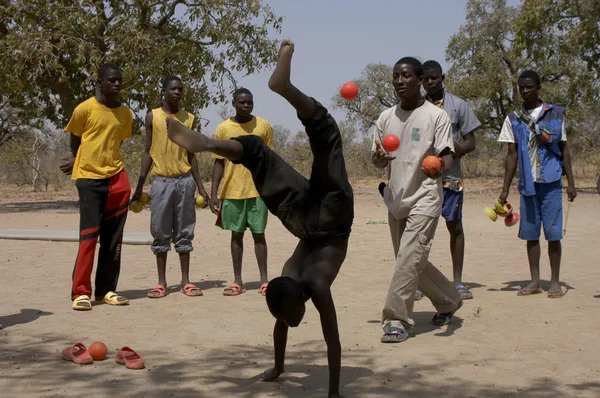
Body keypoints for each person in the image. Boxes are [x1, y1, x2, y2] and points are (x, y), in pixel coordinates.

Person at [167, 40, 352, 398]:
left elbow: (328, 339)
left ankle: (208, 143)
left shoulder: (299, 281)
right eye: (289, 318)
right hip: (320, 218)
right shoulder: (302, 284)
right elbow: (308, 332)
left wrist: (320, 388)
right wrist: (320, 386)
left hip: (316, 218)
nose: (290, 324)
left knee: (269, 154)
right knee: (311, 143)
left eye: (289, 318)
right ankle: (226, 131)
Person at [372, 57, 462, 343]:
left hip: (425, 196)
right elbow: (375, 160)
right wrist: (378, 157)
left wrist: (440, 166)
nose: (400, 81)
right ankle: (448, 299)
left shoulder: (436, 117)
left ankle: (396, 319)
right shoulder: (385, 118)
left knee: (409, 258)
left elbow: (448, 153)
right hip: (396, 198)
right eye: (396, 76)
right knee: (411, 260)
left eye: (406, 76)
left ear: (420, 80)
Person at [59, 63, 132, 311]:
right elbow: (74, 137)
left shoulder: (125, 114)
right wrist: (78, 158)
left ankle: (106, 291)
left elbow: (116, 142)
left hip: (117, 178)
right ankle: (81, 292)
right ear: (100, 81)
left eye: (119, 80)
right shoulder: (84, 109)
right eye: (112, 80)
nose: (117, 84)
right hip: (89, 179)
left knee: (113, 239)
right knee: (89, 237)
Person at [497, 70, 576, 298]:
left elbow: (564, 149)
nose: (525, 91)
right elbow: (511, 156)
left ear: (539, 87)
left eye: (529, 87)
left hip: (551, 181)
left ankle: (554, 282)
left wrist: (571, 182)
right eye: (521, 87)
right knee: (531, 234)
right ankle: (534, 281)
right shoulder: (512, 118)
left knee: (553, 234)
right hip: (528, 184)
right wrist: (504, 190)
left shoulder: (555, 115)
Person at [131, 76, 211, 299]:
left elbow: (191, 154)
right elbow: (147, 152)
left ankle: (186, 281)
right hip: (161, 182)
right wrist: (139, 186)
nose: (177, 93)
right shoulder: (153, 116)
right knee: (160, 232)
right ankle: (161, 283)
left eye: (180, 90)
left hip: (184, 181)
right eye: (173, 89)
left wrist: (201, 187)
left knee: (185, 232)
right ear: (163, 90)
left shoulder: (189, 118)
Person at [420, 60, 481, 301]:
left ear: (443, 77)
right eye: (425, 78)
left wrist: (451, 151)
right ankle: (419, 282)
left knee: (455, 227)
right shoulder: (416, 106)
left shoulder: (458, 105)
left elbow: (471, 142)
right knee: (421, 231)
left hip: (451, 178)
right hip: (422, 179)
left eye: (434, 78)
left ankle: (457, 282)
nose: (430, 82)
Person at [210, 88, 272, 296]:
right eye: (242, 102)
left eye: (249, 102)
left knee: (259, 235)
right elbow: (218, 163)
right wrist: (213, 193)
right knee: (236, 236)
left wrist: (271, 189)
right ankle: (238, 281)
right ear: (234, 104)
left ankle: (264, 281)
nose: (246, 106)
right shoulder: (223, 129)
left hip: (257, 191)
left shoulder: (263, 126)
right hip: (232, 191)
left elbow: (269, 161)